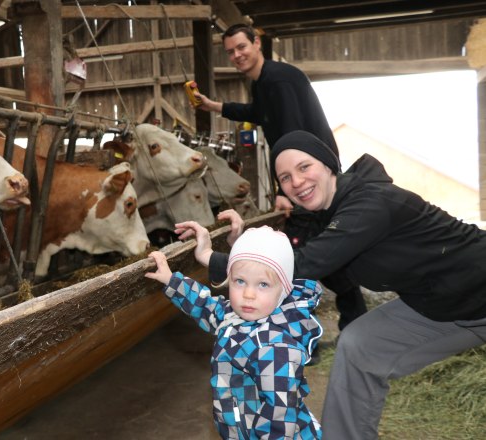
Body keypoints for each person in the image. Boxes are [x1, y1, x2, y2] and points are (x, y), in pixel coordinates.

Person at [202, 130, 486, 439]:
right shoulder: (328, 212)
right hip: (440, 304)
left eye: (304, 167)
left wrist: (211, 258)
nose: (296, 181)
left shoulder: (370, 202)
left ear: (328, 165)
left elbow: (307, 263)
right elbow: (285, 256)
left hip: (477, 287)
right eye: (285, 178)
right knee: (360, 345)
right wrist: (242, 246)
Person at [193, 23, 367, 334]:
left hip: (310, 177)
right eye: (230, 52)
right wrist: (214, 106)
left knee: (301, 253)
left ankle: (303, 331)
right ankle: (350, 322)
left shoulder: (278, 80)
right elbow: (257, 112)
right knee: (320, 249)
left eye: (241, 47)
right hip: (310, 174)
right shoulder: (264, 82)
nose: (237, 55)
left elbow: (292, 134)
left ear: (256, 43)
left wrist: (286, 189)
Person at [145, 226, 323, 439]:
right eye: (240, 281)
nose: (248, 294)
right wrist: (171, 280)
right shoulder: (233, 315)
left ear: (283, 291)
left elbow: (280, 416)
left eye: (263, 284)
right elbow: (205, 305)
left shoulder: (275, 349)